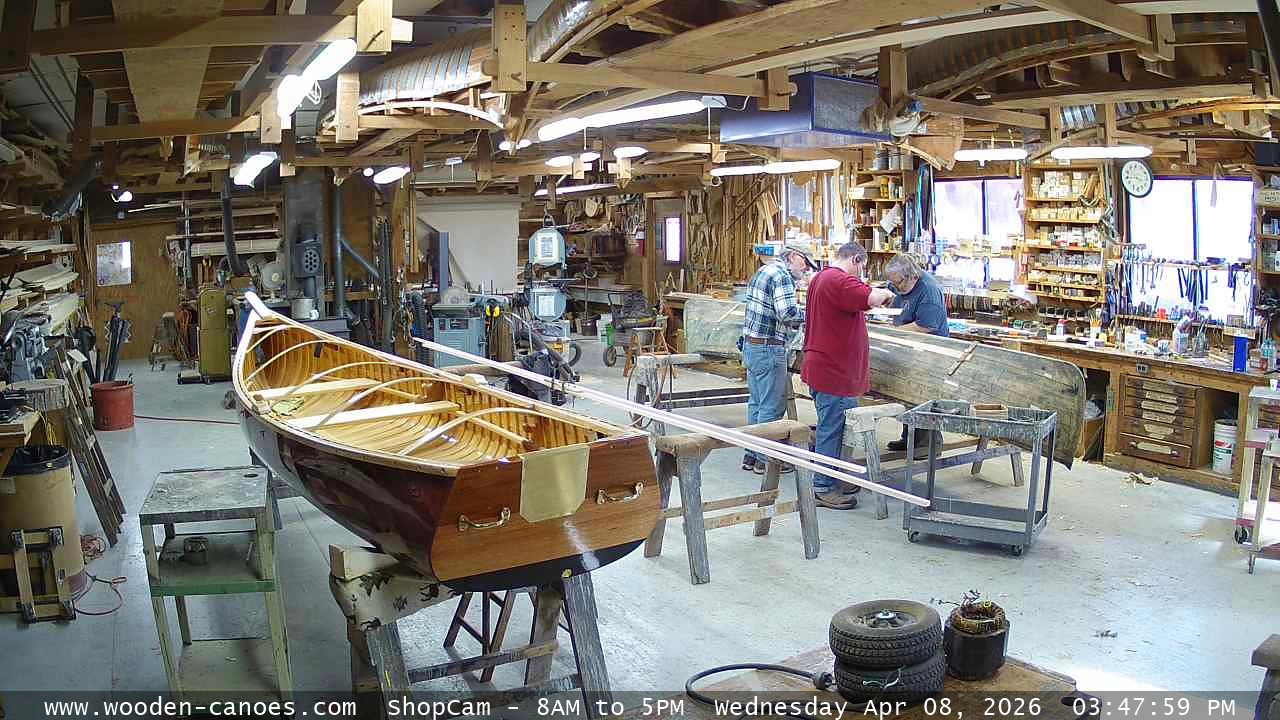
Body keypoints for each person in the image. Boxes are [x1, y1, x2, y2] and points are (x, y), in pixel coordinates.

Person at [801, 241, 895, 508]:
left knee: (835, 427)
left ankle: (834, 474)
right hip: (834, 372)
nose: (860, 273)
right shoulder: (838, 280)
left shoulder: (821, 278)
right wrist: (887, 293)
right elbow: (872, 298)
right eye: (862, 267)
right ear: (855, 260)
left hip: (827, 367)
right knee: (832, 430)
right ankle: (822, 486)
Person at [740, 242, 819, 474]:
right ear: (793, 256)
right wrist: (815, 312)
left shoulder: (765, 270)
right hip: (769, 349)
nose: (806, 269)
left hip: (752, 346)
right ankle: (765, 461)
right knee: (771, 408)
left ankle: (751, 455)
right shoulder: (782, 276)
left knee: (757, 404)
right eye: (805, 262)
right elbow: (788, 314)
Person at [883, 253, 951, 454]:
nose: (895, 288)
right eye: (892, 283)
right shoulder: (900, 285)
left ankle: (928, 446)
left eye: (898, 283)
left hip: (930, 351)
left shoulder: (929, 290)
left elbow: (925, 326)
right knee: (907, 395)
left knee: (924, 397)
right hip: (910, 348)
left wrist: (892, 332)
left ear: (912, 276)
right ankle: (910, 439)